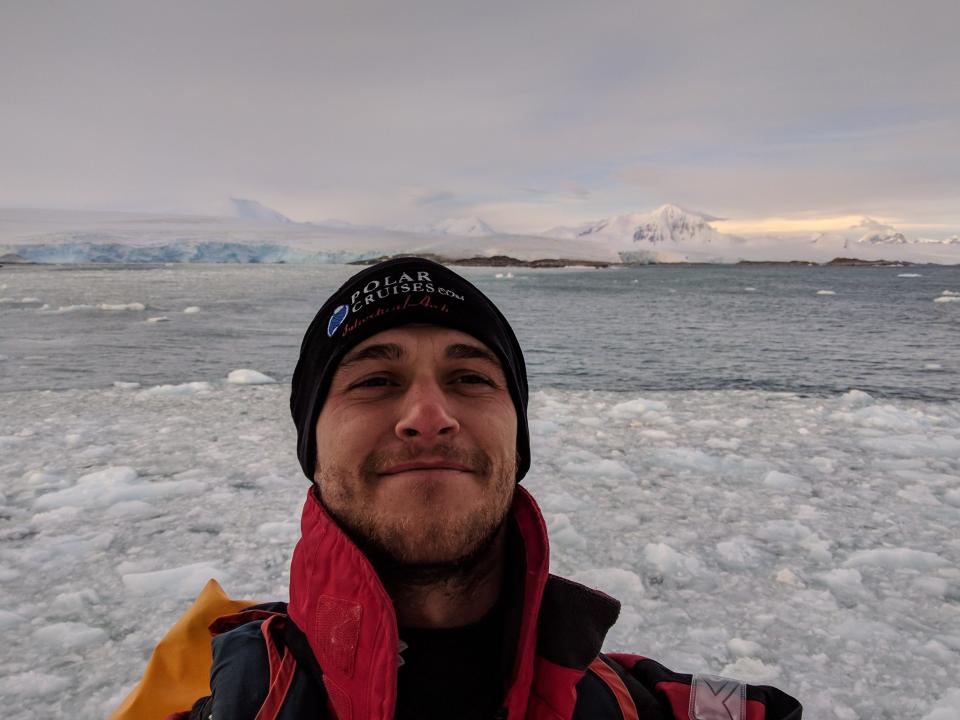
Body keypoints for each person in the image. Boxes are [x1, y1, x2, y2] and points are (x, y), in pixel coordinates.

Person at [176, 257, 802, 719]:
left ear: (517, 438)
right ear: (312, 448)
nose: (427, 413)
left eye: (470, 377)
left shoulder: (625, 704)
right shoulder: (242, 700)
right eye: (374, 381)